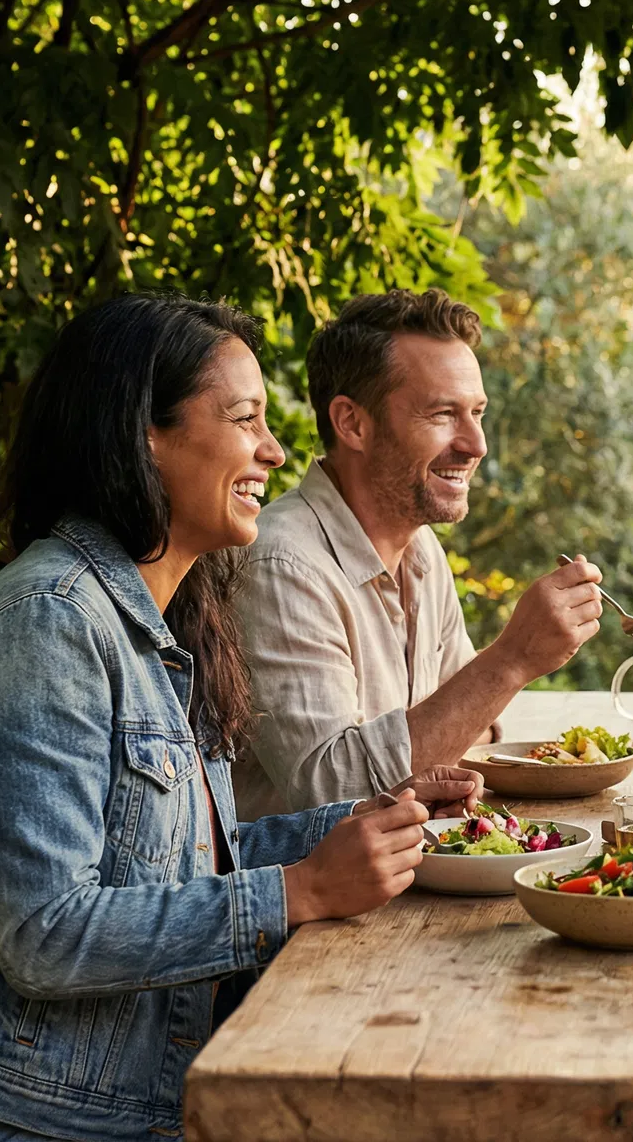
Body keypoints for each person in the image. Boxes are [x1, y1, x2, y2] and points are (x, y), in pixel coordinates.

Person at [0, 295, 482, 1142]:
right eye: (244, 419)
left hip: (121, 1106)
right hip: (7, 1118)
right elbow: (44, 933)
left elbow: (182, 864)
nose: (273, 450)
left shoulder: (170, 624)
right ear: (143, 435)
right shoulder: (48, 622)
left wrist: (369, 822)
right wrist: (300, 890)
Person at [231, 289, 604, 819]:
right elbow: (332, 796)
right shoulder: (280, 565)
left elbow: (471, 725)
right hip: (300, 874)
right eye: (443, 413)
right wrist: (513, 658)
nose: (476, 444)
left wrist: (468, 707)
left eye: (477, 413)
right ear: (352, 423)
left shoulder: (421, 547)